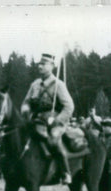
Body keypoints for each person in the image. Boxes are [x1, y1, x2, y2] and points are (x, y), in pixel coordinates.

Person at [21, 53, 75, 184]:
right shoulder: (34, 85)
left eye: (44, 64)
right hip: (37, 120)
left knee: (53, 140)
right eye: (39, 64)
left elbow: (69, 106)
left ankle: (65, 172)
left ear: (51, 66)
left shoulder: (58, 85)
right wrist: (25, 110)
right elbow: (26, 102)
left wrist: (57, 120)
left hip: (55, 122)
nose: (40, 66)